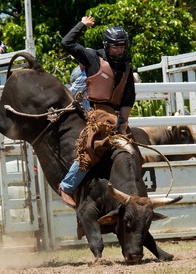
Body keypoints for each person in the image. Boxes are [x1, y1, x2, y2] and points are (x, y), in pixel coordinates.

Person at [59, 16, 136, 208]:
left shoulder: (126, 69)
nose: (118, 50)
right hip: (93, 109)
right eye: (114, 46)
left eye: (121, 46)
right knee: (97, 141)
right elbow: (66, 42)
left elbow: (127, 99)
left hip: (114, 115)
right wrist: (82, 25)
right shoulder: (94, 57)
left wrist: (124, 123)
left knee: (132, 146)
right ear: (107, 46)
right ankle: (67, 186)